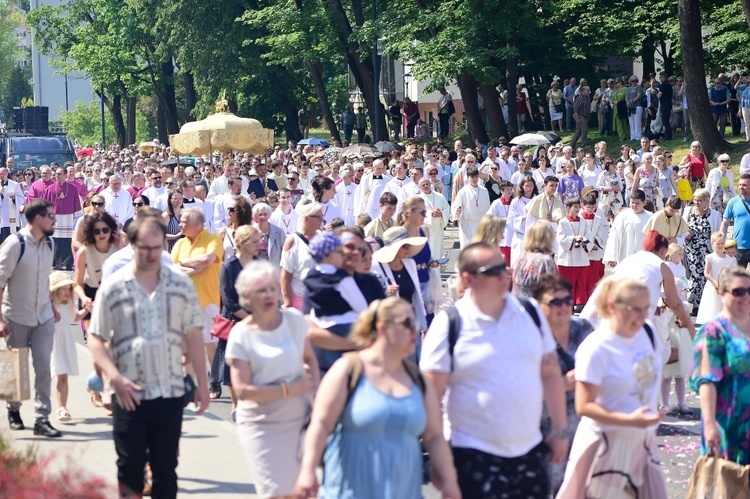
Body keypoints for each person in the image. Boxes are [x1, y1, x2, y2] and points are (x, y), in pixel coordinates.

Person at [421, 242, 566, 498]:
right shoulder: (450, 324)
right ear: (469, 279)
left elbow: (550, 373)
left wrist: (559, 429)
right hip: (472, 454)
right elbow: (430, 394)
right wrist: (438, 456)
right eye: (495, 269)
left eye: (504, 266)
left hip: (529, 452)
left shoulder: (529, 312)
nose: (506, 273)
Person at [87, 215, 209, 498]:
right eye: (145, 248)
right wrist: (113, 379)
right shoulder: (115, 285)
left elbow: (193, 334)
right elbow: (96, 336)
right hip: (129, 392)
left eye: (157, 248)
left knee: (165, 468)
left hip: (169, 391)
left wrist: (202, 383)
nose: (152, 254)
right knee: (129, 468)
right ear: (132, 245)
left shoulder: (179, 284)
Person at [296, 297, 461, 499]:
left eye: (415, 323)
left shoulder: (418, 380)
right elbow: (320, 424)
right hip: (350, 491)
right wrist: (307, 471)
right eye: (407, 323)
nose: (414, 331)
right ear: (383, 329)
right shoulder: (348, 370)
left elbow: (434, 436)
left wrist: (450, 481)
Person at [557, 279, 668, 497]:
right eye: (634, 309)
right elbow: (584, 406)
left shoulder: (647, 332)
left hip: (642, 443)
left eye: (646, 308)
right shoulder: (596, 347)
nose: (642, 316)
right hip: (605, 444)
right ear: (611, 307)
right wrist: (628, 419)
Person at [225, 260, 319, 498]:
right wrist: (289, 389)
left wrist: (314, 393)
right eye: (260, 290)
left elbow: (310, 358)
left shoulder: (295, 321)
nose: (268, 295)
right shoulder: (240, 334)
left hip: (299, 420)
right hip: (260, 424)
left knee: (304, 490)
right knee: (275, 492)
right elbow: (243, 390)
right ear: (247, 297)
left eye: (271, 288)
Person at [0, 199, 62, 437]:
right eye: (51, 216)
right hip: (15, 315)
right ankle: (13, 408)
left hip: (43, 316)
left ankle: (41, 418)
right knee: (16, 367)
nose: (55, 220)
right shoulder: (15, 244)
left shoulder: (50, 243)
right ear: (38, 219)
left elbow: (44, 277)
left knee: (43, 367)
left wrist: (52, 306)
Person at [531, 274, 593, 495]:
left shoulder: (584, 329)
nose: (564, 306)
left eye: (567, 300)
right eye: (555, 302)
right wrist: (563, 384)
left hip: (583, 425)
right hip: (541, 427)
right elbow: (519, 388)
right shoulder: (530, 336)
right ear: (538, 304)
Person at [690, 266, 750, 466]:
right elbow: (707, 380)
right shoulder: (714, 331)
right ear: (722, 294)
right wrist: (709, 425)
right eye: (738, 291)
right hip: (730, 426)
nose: (745, 296)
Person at [171, 208, 224, 400]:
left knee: (211, 344)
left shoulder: (213, 239)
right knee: (187, 345)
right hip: (183, 302)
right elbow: (173, 269)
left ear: (197, 224)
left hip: (207, 301)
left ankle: (214, 381)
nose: (180, 224)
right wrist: (196, 266)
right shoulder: (179, 244)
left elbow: (209, 259)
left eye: (184, 221)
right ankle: (190, 385)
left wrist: (184, 264)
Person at [371, 226, 429, 337]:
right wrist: (385, 292)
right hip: (390, 328)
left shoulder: (410, 264)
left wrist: (423, 326)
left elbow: (417, 297)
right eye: (405, 246)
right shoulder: (376, 267)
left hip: (412, 325)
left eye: (409, 246)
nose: (408, 249)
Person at [49, 271, 86, 422]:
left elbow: (74, 318)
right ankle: (60, 407)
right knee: (59, 374)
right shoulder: (50, 305)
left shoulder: (69, 304)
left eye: (68, 288)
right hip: (54, 342)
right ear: (55, 290)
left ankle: (63, 408)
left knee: (63, 376)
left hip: (66, 342)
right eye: (63, 288)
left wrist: (87, 309)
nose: (66, 291)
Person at [661, 244, 693, 413]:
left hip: (680, 334)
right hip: (669, 332)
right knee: (666, 374)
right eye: (678, 253)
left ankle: (682, 403)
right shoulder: (666, 270)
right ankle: (665, 403)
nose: (680, 256)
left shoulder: (681, 270)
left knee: (680, 373)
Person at [73, 212, 119, 329]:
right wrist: (84, 298)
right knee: (93, 338)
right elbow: (77, 284)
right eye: (96, 231)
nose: (101, 234)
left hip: (113, 295)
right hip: (91, 294)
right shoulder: (84, 251)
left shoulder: (118, 247)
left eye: (105, 230)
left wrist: (122, 243)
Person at [280, 200, 322, 310]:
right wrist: (288, 304)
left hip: (319, 299)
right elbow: (285, 276)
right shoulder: (293, 241)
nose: (321, 221)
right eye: (318, 217)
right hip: (299, 299)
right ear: (307, 218)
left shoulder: (322, 238)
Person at [43, 167, 82, 270]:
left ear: (65, 175)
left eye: (59, 174)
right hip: (54, 219)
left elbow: (76, 204)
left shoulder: (73, 188)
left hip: (68, 219)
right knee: (55, 240)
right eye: (56, 174)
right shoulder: (50, 188)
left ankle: (68, 264)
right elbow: (45, 205)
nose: (57, 175)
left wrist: (77, 219)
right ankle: (56, 263)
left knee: (67, 241)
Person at [603, 189, 652, 267]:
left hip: (643, 257)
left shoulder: (650, 217)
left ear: (644, 203)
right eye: (632, 202)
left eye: (637, 203)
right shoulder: (623, 216)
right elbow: (614, 236)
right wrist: (613, 257)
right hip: (625, 255)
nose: (634, 205)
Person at [696, 232, 737, 324]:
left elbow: (733, 273)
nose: (720, 245)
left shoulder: (730, 259)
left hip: (725, 287)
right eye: (717, 243)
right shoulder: (710, 257)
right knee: (712, 307)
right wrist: (715, 282)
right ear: (712, 244)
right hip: (713, 286)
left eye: (722, 243)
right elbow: (706, 273)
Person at [451, 167, 491, 249]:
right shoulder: (463, 191)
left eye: (476, 176)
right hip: (467, 225)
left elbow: (488, 207)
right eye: (472, 177)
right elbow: (456, 206)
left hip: (481, 225)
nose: (474, 179)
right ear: (468, 177)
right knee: (468, 250)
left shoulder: (484, 190)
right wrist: (457, 212)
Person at [721, 173, 750, 267]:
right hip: (739, 247)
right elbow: (725, 223)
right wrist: (722, 240)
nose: (741, 187)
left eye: (744, 185)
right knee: (739, 279)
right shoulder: (733, 202)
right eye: (740, 184)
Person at [418, 177, 449, 258]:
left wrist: (441, 213)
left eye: (427, 184)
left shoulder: (440, 196)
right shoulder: (418, 199)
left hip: (438, 229)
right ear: (420, 187)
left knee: (438, 253)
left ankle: (438, 270)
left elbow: (447, 209)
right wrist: (430, 214)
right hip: (426, 231)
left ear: (430, 184)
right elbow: (416, 214)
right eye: (423, 185)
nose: (425, 186)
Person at [217, 196, 253, 262]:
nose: (228, 212)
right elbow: (219, 258)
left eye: (232, 209)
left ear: (241, 211)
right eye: (227, 209)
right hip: (229, 270)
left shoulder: (250, 232)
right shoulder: (223, 233)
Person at [0, 167, 25, 245]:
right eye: (0, 174)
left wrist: (15, 198)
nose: (2, 175)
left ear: (7, 173)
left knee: (12, 242)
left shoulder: (14, 184)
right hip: (1, 217)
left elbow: (21, 198)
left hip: (12, 218)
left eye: (3, 173)